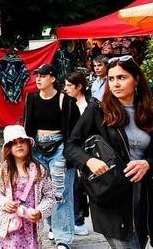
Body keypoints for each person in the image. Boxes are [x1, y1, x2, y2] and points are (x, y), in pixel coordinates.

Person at [65, 55, 153, 248]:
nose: (115, 84)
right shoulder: (98, 111)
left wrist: (148, 164)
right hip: (110, 197)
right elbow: (71, 146)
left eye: (122, 77)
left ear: (136, 80)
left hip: (142, 199)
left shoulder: (151, 116)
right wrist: (89, 161)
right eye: (111, 79)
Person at [24, 64, 80, 249]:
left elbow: (73, 131)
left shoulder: (66, 100)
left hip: (60, 147)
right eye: (36, 76)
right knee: (41, 191)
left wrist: (70, 152)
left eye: (42, 75)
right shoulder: (31, 98)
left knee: (60, 192)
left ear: (53, 78)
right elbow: (28, 128)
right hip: (38, 147)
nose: (38, 79)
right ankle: (52, 227)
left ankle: (63, 237)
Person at [0, 125, 55, 248]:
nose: (19, 145)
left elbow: (50, 197)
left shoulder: (39, 169)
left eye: (22, 141)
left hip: (31, 227)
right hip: (10, 225)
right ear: (8, 147)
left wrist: (40, 211)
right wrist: (4, 203)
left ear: (28, 144)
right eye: (14, 143)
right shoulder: (3, 169)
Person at [63, 71, 99, 236]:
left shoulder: (93, 104)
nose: (66, 89)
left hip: (89, 151)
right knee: (72, 187)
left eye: (69, 85)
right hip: (71, 150)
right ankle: (76, 220)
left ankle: (80, 220)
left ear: (79, 86)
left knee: (84, 186)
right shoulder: (66, 104)